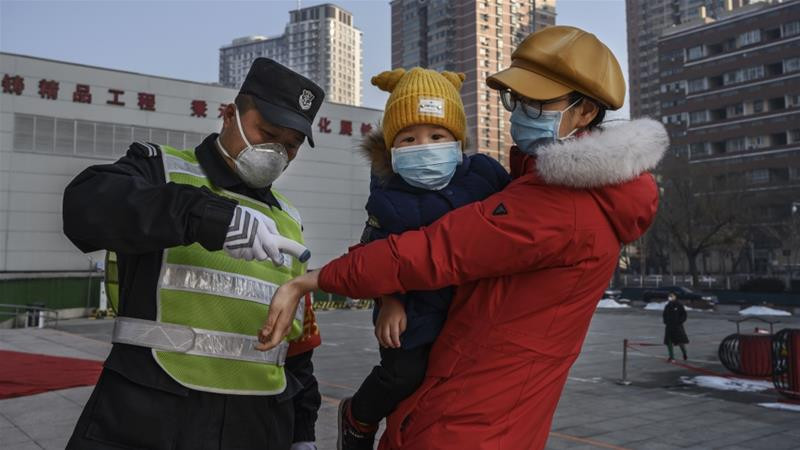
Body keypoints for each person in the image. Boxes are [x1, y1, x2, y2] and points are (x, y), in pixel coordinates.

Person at [257, 26, 669, 449]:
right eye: (516, 99)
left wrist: (313, 280)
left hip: (466, 420)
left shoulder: (560, 204)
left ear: (585, 111)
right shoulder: (551, 188)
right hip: (486, 408)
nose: (519, 112)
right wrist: (389, 298)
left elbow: (435, 251)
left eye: (536, 102)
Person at [63, 58, 324, 449]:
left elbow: (297, 344)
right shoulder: (161, 171)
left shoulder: (289, 219)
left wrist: (303, 433)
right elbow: (83, 207)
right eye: (268, 133)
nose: (276, 153)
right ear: (229, 115)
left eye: (290, 146)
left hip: (259, 422)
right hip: (153, 415)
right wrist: (202, 215)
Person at [337, 67, 510, 449]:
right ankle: (358, 416)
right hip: (413, 308)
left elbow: (518, 212)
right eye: (409, 138)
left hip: (470, 306)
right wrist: (390, 301)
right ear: (392, 148)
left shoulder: (484, 176)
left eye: (436, 136)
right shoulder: (387, 194)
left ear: (457, 139)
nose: (424, 147)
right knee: (404, 375)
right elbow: (374, 252)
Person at [663, 293, 689, 362]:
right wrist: (665, 321)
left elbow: (684, 315)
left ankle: (684, 353)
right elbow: (664, 315)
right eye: (669, 296)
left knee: (680, 342)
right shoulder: (667, 306)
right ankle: (671, 357)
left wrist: (680, 321)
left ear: (675, 297)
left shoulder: (679, 305)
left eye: (672, 296)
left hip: (677, 327)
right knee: (669, 342)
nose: (670, 298)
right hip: (669, 327)